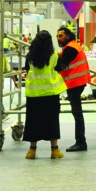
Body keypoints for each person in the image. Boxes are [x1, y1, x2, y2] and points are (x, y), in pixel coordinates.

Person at [22, 31, 64, 159]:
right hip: (50, 93)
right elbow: (60, 68)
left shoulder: (30, 56)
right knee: (52, 120)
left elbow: (27, 70)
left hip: (33, 93)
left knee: (32, 121)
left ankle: (32, 151)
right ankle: (54, 150)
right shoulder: (54, 56)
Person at [56, 25, 90, 152]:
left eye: (61, 36)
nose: (58, 39)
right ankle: (81, 141)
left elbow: (60, 66)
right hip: (77, 82)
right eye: (57, 36)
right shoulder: (72, 46)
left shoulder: (71, 48)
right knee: (77, 113)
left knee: (77, 113)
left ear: (68, 36)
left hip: (75, 83)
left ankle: (81, 142)